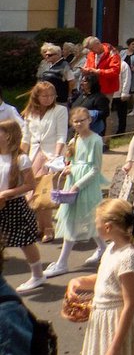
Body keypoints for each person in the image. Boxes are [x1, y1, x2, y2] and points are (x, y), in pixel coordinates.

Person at [69, 199, 134, 355]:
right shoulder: (111, 249)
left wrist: (114, 347)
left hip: (117, 324)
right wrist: (79, 281)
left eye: (97, 222)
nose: (95, 225)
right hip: (103, 322)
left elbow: (130, 304)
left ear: (108, 227)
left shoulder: (128, 257)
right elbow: (106, 279)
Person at [44, 107, 108, 277]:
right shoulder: (74, 141)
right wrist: (67, 169)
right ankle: (104, 248)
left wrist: (77, 185)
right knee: (81, 219)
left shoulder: (96, 140)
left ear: (89, 120)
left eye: (82, 120)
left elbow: (95, 169)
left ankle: (62, 262)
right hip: (73, 183)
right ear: (72, 123)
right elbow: (72, 162)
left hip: (86, 185)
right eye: (76, 121)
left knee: (87, 219)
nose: (79, 123)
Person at [0, 120, 45, 292]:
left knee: (25, 241)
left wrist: (7, 193)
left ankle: (38, 275)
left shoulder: (21, 158)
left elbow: (30, 185)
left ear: (9, 136)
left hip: (14, 205)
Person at [21, 80, 68, 241]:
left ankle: (47, 228)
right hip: (33, 157)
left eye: (51, 95)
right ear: (37, 96)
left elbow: (62, 135)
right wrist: (20, 157)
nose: (48, 98)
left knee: (45, 192)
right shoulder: (29, 113)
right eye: (44, 95)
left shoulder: (60, 110)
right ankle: (38, 227)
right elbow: (26, 139)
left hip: (50, 156)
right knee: (33, 194)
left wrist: (55, 156)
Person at [81, 36, 122, 101]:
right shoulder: (91, 53)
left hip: (107, 87)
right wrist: (86, 70)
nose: (91, 51)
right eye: (89, 49)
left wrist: (98, 71)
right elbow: (89, 66)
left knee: (104, 108)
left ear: (98, 44)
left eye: (91, 48)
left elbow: (115, 71)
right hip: (93, 86)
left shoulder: (112, 53)